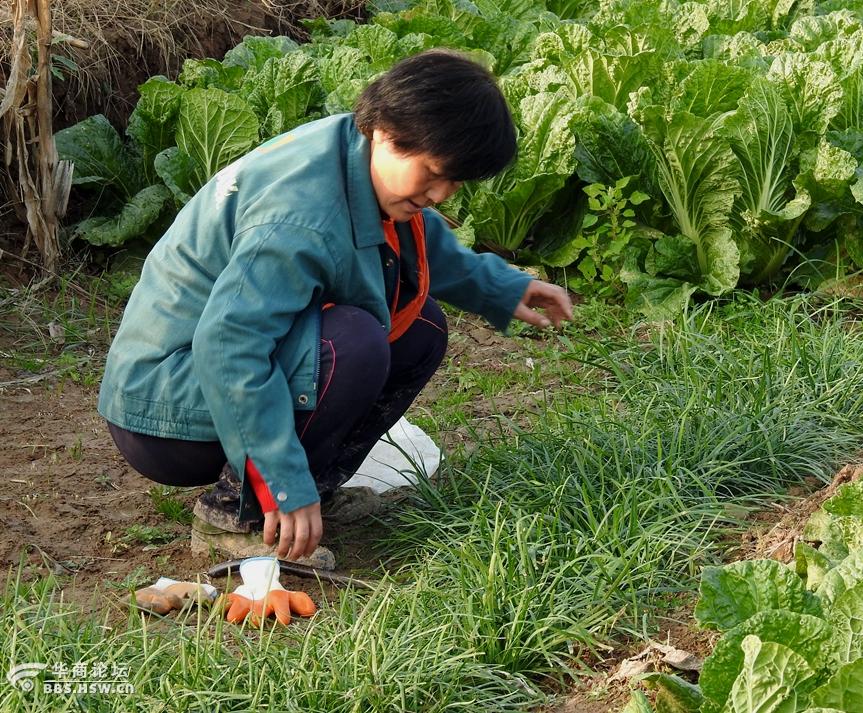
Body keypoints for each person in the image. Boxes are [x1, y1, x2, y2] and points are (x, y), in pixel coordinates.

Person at [98, 49, 573, 567]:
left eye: (455, 182)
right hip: (164, 410)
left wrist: (502, 287)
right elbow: (228, 345)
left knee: (422, 328)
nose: (441, 194)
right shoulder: (301, 215)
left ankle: (315, 493)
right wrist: (280, 480)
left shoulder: (360, 151)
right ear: (389, 133)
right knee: (352, 341)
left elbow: (415, 236)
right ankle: (240, 515)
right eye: (435, 173)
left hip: (204, 382)